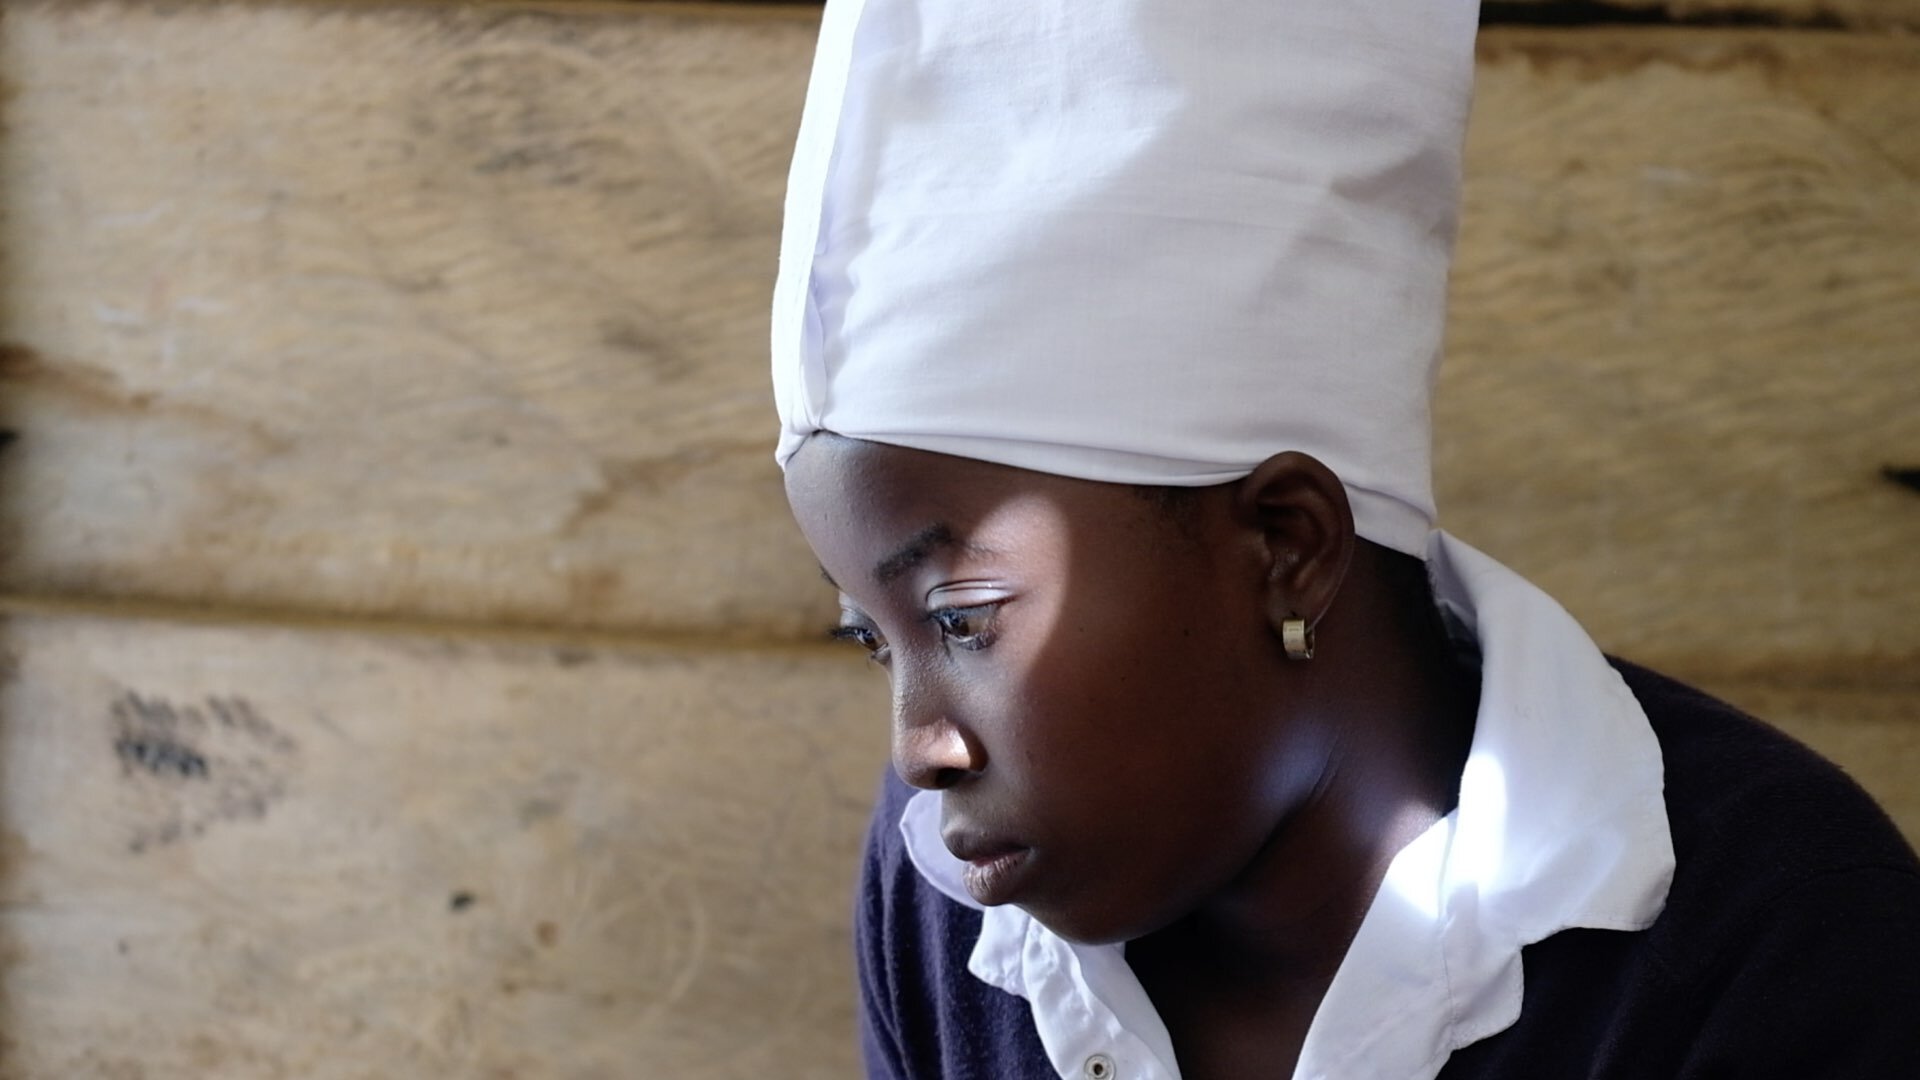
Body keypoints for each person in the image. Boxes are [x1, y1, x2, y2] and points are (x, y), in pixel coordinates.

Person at [767, 1, 1920, 1077]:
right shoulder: (955, 898)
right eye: (873, 638)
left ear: (1287, 541)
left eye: (962, 619)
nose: (921, 750)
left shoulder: (1776, 928)